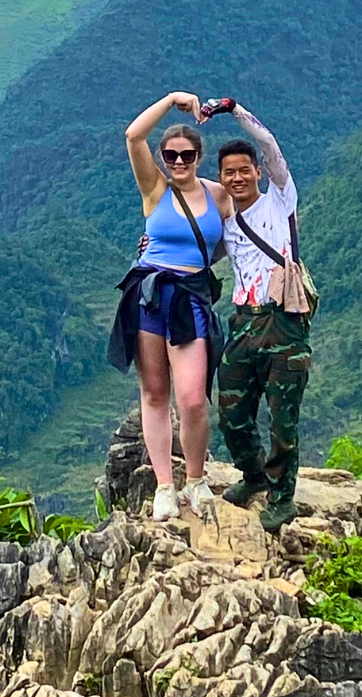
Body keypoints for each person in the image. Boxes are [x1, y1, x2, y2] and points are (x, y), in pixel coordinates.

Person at [108, 91, 231, 521]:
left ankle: (195, 478)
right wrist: (173, 100)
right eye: (171, 155)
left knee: (193, 398)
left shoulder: (218, 196)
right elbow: (132, 135)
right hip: (150, 296)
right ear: (162, 157)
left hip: (191, 297)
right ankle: (165, 485)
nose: (179, 162)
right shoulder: (154, 189)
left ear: (199, 156)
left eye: (187, 155)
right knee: (155, 393)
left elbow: (237, 238)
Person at [208, 99, 311, 532]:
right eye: (228, 172)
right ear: (221, 178)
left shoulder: (279, 201)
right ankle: (252, 476)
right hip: (243, 321)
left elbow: (269, 145)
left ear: (257, 171)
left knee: (282, 415)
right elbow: (199, 255)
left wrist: (234, 110)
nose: (236, 177)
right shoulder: (227, 221)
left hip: (283, 321)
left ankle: (283, 497)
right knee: (231, 410)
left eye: (243, 169)